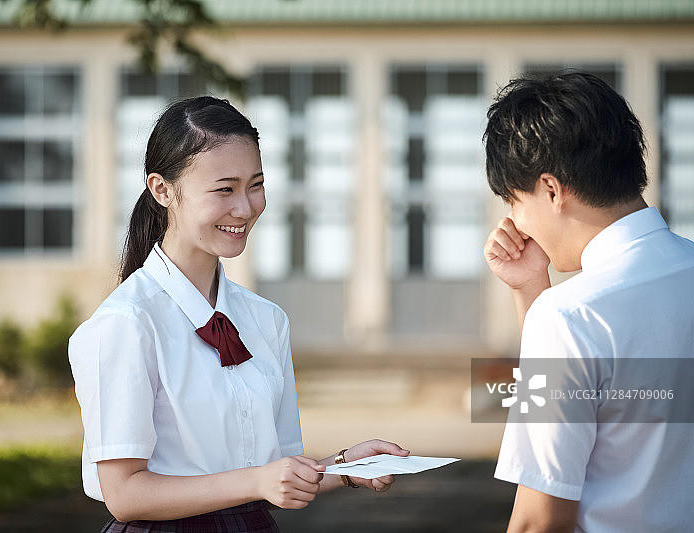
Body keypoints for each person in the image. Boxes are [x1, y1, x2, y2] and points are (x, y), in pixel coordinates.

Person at [68, 96, 408, 532]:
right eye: (224, 189)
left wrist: (345, 467)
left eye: (256, 184)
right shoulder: (127, 323)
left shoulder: (266, 320)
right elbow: (125, 494)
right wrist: (258, 481)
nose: (245, 208)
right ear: (162, 190)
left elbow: (272, 474)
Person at [482, 72, 694, 532]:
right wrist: (530, 290)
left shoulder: (568, 316)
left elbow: (539, 522)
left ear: (552, 190)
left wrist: (540, 306)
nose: (514, 222)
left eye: (514, 201)